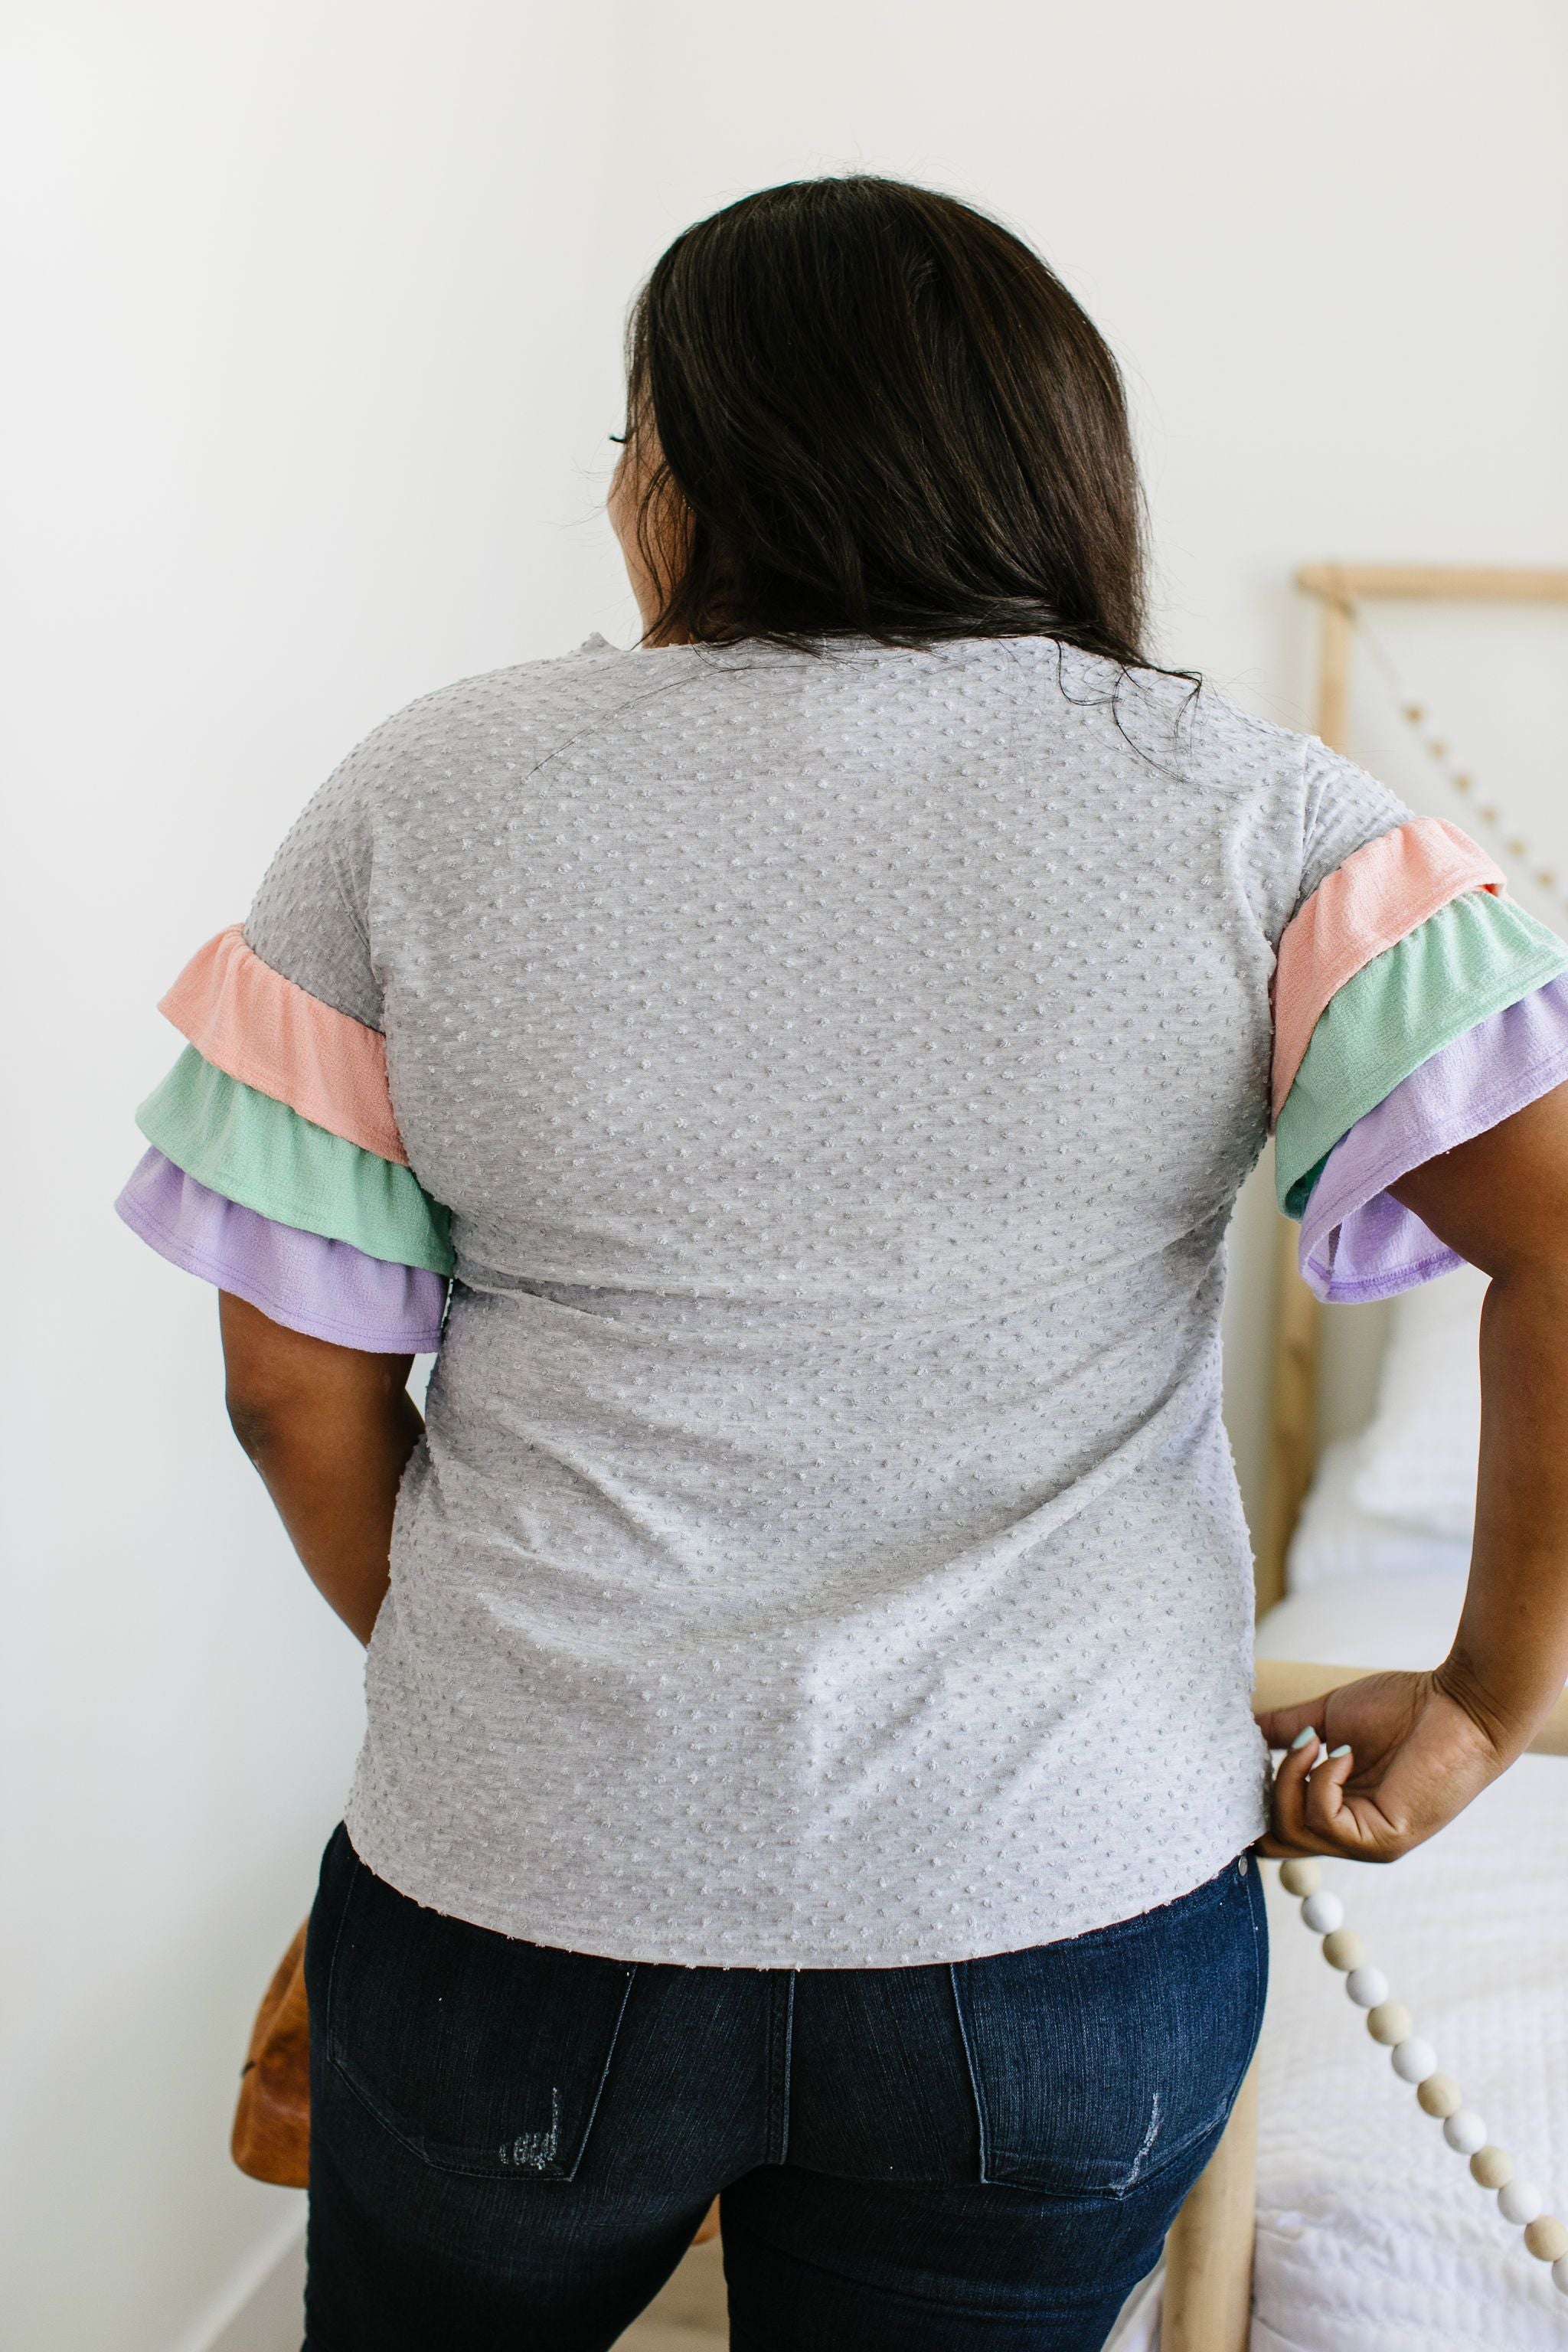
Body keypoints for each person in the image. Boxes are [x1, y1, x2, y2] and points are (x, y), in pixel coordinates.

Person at [117, 175, 1568, 2351]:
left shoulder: (418, 800)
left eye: (629, 437)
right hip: (1062, 1936)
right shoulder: (1265, 823)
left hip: (522, 1899)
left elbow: (284, 1388)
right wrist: (1479, 1707)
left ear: (693, 469)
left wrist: (508, 1694)